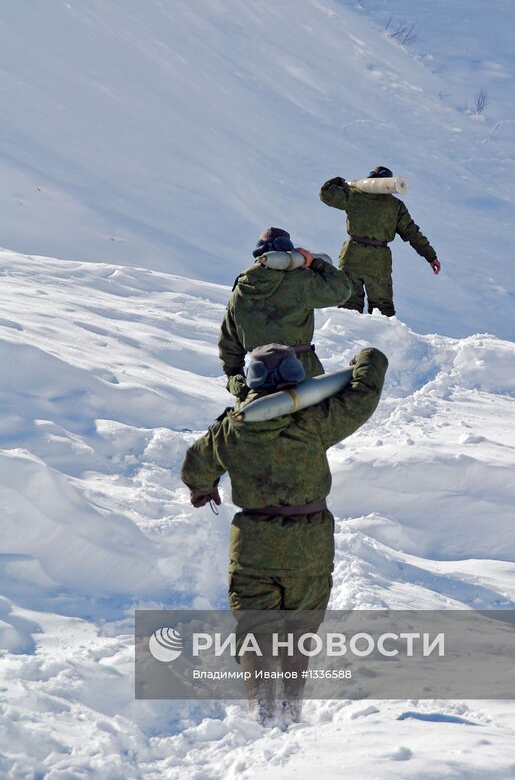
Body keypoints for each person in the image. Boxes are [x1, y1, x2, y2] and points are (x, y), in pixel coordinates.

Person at [181, 342, 388, 723]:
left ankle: (261, 713)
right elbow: (364, 394)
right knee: (299, 630)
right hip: (309, 545)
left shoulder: (230, 430)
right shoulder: (313, 422)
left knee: (256, 629)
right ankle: (291, 711)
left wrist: (203, 488)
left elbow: (194, 466)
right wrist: (369, 357)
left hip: (253, 545)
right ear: (296, 375)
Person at [219, 227, 352, 401]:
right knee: (311, 424)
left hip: (260, 376)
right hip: (302, 368)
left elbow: (229, 341)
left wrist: (234, 376)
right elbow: (342, 290)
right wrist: (313, 262)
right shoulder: (300, 281)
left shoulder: (241, 289)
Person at [319, 167, 440, 316]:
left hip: (351, 254)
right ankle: (383, 338)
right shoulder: (395, 206)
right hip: (379, 260)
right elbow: (412, 233)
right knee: (382, 308)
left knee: (348, 304)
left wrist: (337, 181)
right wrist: (431, 256)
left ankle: (348, 338)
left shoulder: (354, 195)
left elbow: (326, 194)